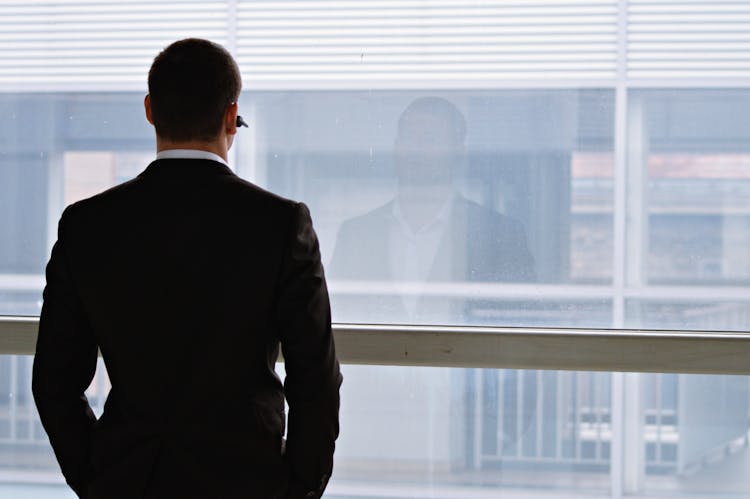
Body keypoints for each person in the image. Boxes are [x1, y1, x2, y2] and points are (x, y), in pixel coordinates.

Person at [31, 38, 341, 499]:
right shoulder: (279, 224)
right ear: (229, 116)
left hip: (129, 476)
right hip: (248, 479)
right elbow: (315, 376)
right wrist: (297, 488)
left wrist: (97, 477)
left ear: (150, 110)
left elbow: (54, 381)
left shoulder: (87, 225)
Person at [329, 96, 535, 323]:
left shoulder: (501, 235)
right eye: (408, 137)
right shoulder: (356, 234)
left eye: (429, 138)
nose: (416, 149)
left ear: (459, 151)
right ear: (396, 146)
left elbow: (520, 324)